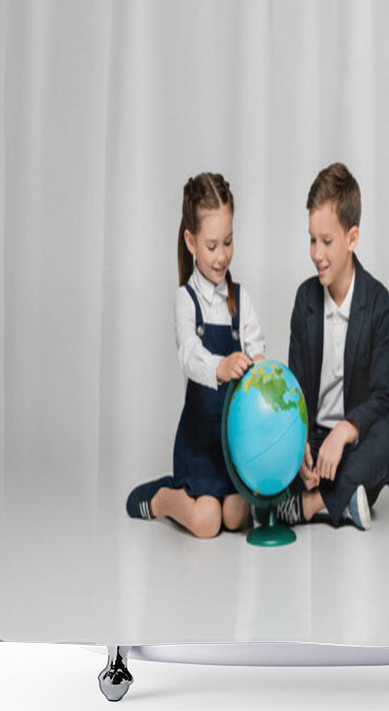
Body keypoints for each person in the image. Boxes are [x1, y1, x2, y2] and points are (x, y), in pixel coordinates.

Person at [126, 172, 266, 538]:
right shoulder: (185, 300)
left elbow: (257, 349)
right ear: (190, 241)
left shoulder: (241, 299)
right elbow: (188, 355)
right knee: (207, 523)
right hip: (199, 443)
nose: (222, 256)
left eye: (229, 242)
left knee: (236, 517)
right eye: (212, 245)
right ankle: (163, 498)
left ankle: (213, 496)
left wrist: (261, 370)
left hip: (231, 445)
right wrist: (220, 366)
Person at [273, 162, 389, 530]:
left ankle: (313, 504)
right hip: (312, 448)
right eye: (312, 239)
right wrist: (301, 448)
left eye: (327, 241)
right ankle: (343, 502)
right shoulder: (305, 299)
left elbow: (385, 396)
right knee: (271, 444)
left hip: (351, 449)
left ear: (352, 237)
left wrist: (344, 430)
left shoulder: (376, 301)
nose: (317, 253)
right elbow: (292, 391)